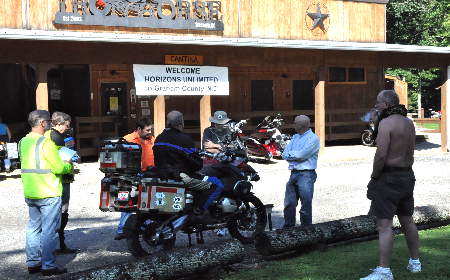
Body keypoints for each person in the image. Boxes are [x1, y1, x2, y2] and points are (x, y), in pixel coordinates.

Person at [360, 90, 420, 280]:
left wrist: (374, 176)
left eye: (378, 102)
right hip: (407, 175)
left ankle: (384, 271)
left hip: (389, 177)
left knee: (384, 225)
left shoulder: (387, 123)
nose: (376, 104)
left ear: (386, 104)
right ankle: (415, 262)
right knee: (407, 220)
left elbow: (381, 155)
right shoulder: (409, 122)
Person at [20, 110, 73, 276]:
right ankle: (48, 265)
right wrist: (69, 164)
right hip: (49, 191)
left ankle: (33, 263)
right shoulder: (46, 143)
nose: (50, 124)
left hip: (31, 190)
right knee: (49, 230)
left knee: (33, 228)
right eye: (48, 121)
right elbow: (58, 167)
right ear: (42, 123)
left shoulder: (23, 141)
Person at [153, 111, 224, 223]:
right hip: (180, 176)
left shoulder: (158, 138)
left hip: (163, 175)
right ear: (181, 123)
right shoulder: (184, 139)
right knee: (216, 184)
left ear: (168, 122)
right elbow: (196, 163)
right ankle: (199, 212)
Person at [114, 117, 155, 240]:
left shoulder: (152, 139)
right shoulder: (128, 139)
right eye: (147, 130)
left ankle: (146, 226)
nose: (150, 132)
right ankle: (122, 229)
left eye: (151, 129)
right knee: (127, 201)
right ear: (138, 129)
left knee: (147, 201)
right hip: (131, 174)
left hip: (149, 174)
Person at [44, 111, 78, 254]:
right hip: (62, 178)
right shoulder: (56, 137)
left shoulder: (47, 135)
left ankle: (56, 244)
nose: (67, 128)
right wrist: (71, 163)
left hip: (51, 178)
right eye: (66, 125)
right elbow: (62, 159)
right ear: (58, 124)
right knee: (62, 211)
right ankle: (60, 245)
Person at [281, 115, 320, 228]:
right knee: (289, 203)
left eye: (295, 123)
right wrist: (293, 155)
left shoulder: (313, 138)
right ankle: (289, 228)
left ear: (301, 125)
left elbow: (302, 155)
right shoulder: (295, 137)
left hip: (306, 174)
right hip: (294, 173)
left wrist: (291, 155)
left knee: (305, 205)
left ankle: (306, 229)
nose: (293, 125)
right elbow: (285, 154)